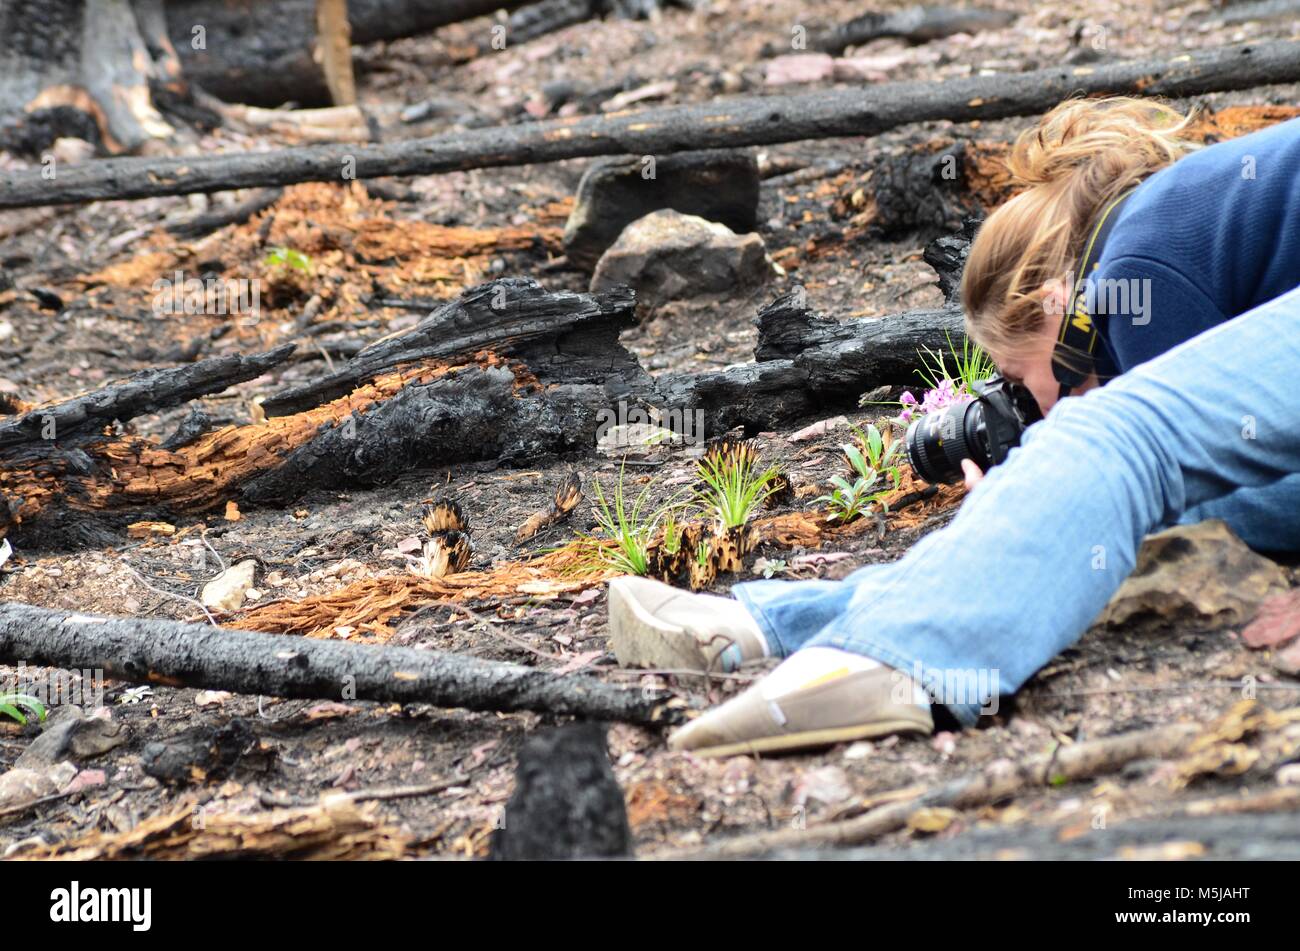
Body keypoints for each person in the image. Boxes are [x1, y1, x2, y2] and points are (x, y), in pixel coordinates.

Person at [605, 98, 1300, 758]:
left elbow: (1188, 476)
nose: (1030, 405)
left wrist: (1034, 487)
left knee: (1120, 457)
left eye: (1022, 381)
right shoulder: (1156, 232)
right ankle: (785, 625)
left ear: (1059, 309)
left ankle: (878, 651)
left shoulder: (1139, 267)